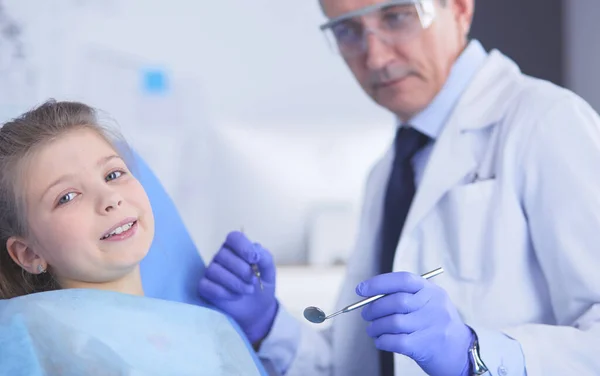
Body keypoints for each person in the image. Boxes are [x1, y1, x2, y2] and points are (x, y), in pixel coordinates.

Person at [197, 0, 600, 375]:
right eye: (348, 30)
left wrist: (473, 352)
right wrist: (266, 324)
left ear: (459, 8)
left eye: (396, 16)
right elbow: (355, 363)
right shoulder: (390, 168)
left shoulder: (545, 122)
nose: (375, 57)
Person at [0, 100, 266, 375]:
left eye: (113, 174)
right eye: (67, 197)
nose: (110, 198)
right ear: (28, 253)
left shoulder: (211, 333)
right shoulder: (31, 340)